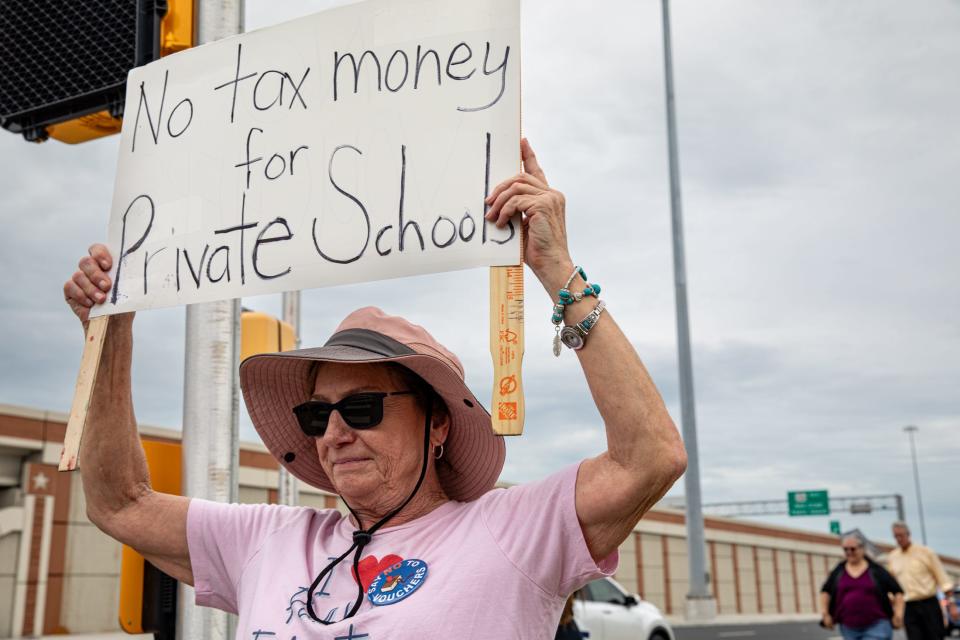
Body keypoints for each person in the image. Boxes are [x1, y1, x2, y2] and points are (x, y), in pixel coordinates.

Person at [62, 139, 687, 638]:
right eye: (316, 415)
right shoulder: (267, 541)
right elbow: (119, 504)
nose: (334, 433)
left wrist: (556, 270)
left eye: (361, 408)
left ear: (437, 422)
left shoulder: (512, 530)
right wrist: (108, 337)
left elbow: (651, 457)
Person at [820, 534, 905, 640]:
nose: (849, 552)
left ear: (862, 549)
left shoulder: (876, 570)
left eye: (852, 549)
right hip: (848, 628)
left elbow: (898, 592)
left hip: (877, 624)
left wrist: (898, 614)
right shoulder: (839, 571)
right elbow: (825, 591)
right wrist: (825, 614)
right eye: (845, 549)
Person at [887, 521, 954, 640]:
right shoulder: (893, 557)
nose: (899, 539)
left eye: (901, 535)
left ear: (908, 534)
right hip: (909, 606)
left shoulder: (925, 552)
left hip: (928, 604)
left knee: (935, 636)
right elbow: (892, 586)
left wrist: (952, 604)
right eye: (896, 536)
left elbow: (943, 579)